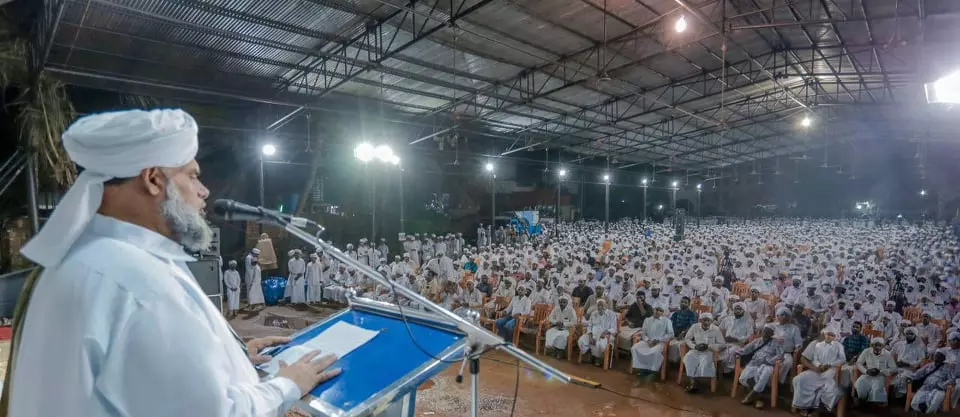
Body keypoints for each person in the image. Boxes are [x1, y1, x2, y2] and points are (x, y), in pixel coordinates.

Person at [8, 109, 341, 416]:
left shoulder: (83, 261)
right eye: (193, 176)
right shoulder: (137, 281)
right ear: (153, 179)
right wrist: (289, 384)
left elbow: (144, 382)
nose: (204, 190)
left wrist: (229, 361)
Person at [792, 327, 846, 417]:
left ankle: (817, 410)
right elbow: (803, 359)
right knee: (799, 379)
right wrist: (815, 367)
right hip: (815, 371)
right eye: (825, 334)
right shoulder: (815, 344)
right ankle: (803, 407)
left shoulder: (838, 346)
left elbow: (842, 360)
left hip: (831, 372)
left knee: (829, 388)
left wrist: (829, 364)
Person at [737, 324, 783, 409]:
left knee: (764, 374)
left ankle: (750, 396)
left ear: (772, 333)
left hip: (767, 364)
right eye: (764, 330)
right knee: (744, 377)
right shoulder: (757, 341)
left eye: (768, 331)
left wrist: (768, 360)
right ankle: (758, 397)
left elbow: (780, 356)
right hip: (754, 363)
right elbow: (747, 349)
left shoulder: (776, 343)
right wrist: (738, 353)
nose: (765, 332)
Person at [682, 312, 725, 393]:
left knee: (704, 362)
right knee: (689, 358)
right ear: (700, 320)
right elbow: (687, 338)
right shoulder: (695, 326)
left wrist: (709, 346)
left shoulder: (716, 329)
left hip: (709, 351)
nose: (706, 322)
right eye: (704, 320)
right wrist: (694, 346)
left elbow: (722, 344)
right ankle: (693, 382)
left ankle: (696, 381)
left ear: (711, 321)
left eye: (708, 320)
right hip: (696, 349)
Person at [630, 306, 674, 377]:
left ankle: (651, 370)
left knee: (654, 352)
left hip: (660, 342)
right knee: (635, 348)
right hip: (647, 341)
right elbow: (643, 333)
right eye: (656, 309)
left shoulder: (667, 321)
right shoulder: (647, 320)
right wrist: (648, 340)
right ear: (653, 310)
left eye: (660, 310)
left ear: (663, 312)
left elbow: (671, 334)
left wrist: (658, 340)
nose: (657, 311)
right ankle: (642, 368)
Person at [852, 337, 898, 405]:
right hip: (868, 375)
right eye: (876, 345)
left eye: (880, 345)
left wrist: (881, 371)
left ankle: (877, 404)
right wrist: (866, 371)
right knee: (859, 383)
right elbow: (858, 363)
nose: (878, 347)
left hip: (880, 376)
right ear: (872, 345)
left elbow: (894, 368)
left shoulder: (887, 354)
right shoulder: (866, 351)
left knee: (877, 392)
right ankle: (861, 401)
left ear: (883, 346)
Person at [577, 299, 618, 366]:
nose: (600, 307)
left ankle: (598, 358)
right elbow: (589, 326)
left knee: (599, 344)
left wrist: (605, 332)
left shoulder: (612, 314)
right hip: (593, 334)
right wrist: (590, 336)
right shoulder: (594, 313)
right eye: (598, 305)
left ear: (606, 305)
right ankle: (589, 354)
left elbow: (614, 328)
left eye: (602, 305)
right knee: (581, 340)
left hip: (605, 335)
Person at [891, 327, 928, 397]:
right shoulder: (899, 344)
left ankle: (900, 397)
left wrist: (908, 364)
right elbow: (891, 354)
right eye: (907, 333)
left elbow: (921, 361)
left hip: (910, 369)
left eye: (911, 334)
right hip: (897, 366)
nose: (909, 335)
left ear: (915, 335)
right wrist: (894, 362)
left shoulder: (919, 347)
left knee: (904, 376)